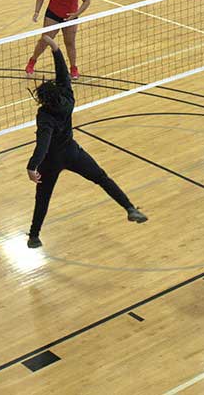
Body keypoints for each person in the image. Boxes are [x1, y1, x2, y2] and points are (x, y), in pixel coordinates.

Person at [25, 35, 147, 248]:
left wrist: (32, 166)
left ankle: (34, 237)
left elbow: (43, 144)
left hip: (51, 161)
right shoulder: (68, 97)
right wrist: (55, 48)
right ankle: (129, 208)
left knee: (42, 198)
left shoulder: (44, 115)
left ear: (43, 99)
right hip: (72, 152)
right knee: (102, 178)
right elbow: (63, 74)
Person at [26, 0, 90, 79]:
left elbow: (87, 1)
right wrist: (36, 12)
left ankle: (73, 68)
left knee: (70, 43)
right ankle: (32, 62)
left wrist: (76, 14)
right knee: (45, 40)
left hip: (70, 18)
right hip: (53, 15)